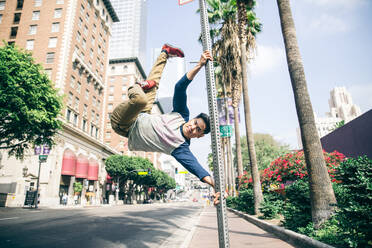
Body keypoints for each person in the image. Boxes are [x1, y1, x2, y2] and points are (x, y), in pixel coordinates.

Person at [111, 44, 219, 199]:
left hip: (123, 124)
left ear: (199, 136)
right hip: (141, 114)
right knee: (153, 85)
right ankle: (165, 52)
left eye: (198, 130)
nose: (192, 127)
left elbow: (196, 168)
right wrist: (200, 65)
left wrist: (215, 185)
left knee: (142, 98)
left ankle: (137, 86)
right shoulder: (181, 114)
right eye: (195, 122)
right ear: (193, 118)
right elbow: (180, 87)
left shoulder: (181, 149)